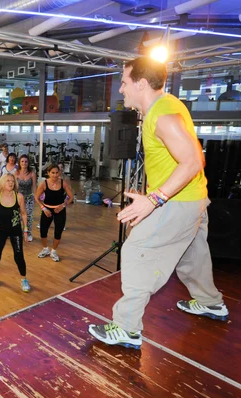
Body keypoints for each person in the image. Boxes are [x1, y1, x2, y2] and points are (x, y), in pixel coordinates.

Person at [88, 57, 228, 350]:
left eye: (124, 83)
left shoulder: (161, 115)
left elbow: (193, 160)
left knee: (138, 250)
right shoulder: (168, 104)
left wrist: (153, 200)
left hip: (176, 202)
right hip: (192, 198)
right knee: (192, 255)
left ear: (140, 83)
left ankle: (126, 328)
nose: (121, 90)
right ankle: (210, 303)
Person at [0, 174, 31, 293]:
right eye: (7, 181)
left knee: (19, 255)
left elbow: (24, 214)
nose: (10, 183)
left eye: (12, 181)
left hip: (15, 230)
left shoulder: (19, 196)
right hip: (0, 230)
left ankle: (24, 279)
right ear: (2, 182)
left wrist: (25, 229)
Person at [35, 164, 73, 262]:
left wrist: (63, 206)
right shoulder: (44, 184)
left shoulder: (63, 183)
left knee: (58, 232)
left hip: (60, 210)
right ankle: (45, 249)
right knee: (43, 231)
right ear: (48, 173)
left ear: (59, 173)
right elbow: (37, 197)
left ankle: (53, 251)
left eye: (57, 173)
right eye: (53, 173)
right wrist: (44, 208)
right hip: (47, 210)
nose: (55, 175)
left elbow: (71, 197)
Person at [15, 154, 37, 242]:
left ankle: (29, 233)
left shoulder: (32, 173)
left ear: (28, 163)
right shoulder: (16, 173)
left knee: (29, 216)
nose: (24, 163)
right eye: (22, 161)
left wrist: (35, 197)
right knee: (18, 216)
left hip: (29, 197)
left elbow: (34, 186)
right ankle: (19, 233)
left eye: (26, 161)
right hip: (19, 198)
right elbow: (14, 187)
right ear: (19, 163)